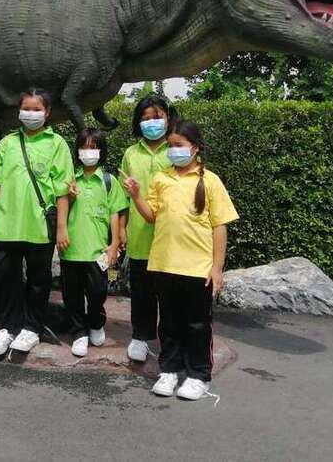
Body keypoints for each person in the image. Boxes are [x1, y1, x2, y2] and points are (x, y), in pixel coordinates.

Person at [123, 120, 238, 401]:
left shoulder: (210, 181)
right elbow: (151, 216)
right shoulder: (162, 178)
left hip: (197, 268)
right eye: (170, 146)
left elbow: (220, 226)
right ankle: (169, 370)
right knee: (169, 322)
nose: (173, 150)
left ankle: (198, 375)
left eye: (179, 145)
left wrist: (217, 268)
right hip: (164, 264)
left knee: (197, 323)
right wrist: (136, 196)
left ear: (195, 148)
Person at [0, 88, 74, 357]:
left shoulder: (56, 144)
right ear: (19, 111)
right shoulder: (7, 143)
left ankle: (31, 328)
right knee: (6, 277)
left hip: (39, 224)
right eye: (26, 108)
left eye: (37, 109)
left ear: (47, 113)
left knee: (38, 279)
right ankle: (8, 327)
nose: (31, 114)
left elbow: (62, 190)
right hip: (7, 224)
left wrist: (62, 228)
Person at [61, 128, 129, 357]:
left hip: (97, 250)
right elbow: (62, 210)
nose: (88, 152)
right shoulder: (70, 179)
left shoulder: (109, 181)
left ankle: (96, 323)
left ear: (102, 151)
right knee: (72, 295)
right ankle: (78, 332)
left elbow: (115, 213)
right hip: (71, 249)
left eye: (93, 147)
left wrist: (114, 244)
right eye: (83, 147)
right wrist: (69, 196)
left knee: (98, 291)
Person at [119, 94, 177, 362]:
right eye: (145, 118)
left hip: (171, 235)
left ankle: (170, 339)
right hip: (140, 234)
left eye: (157, 117)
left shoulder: (175, 149)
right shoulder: (131, 153)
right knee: (141, 290)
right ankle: (141, 336)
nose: (152, 122)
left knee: (169, 291)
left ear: (168, 117)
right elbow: (122, 197)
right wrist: (122, 229)